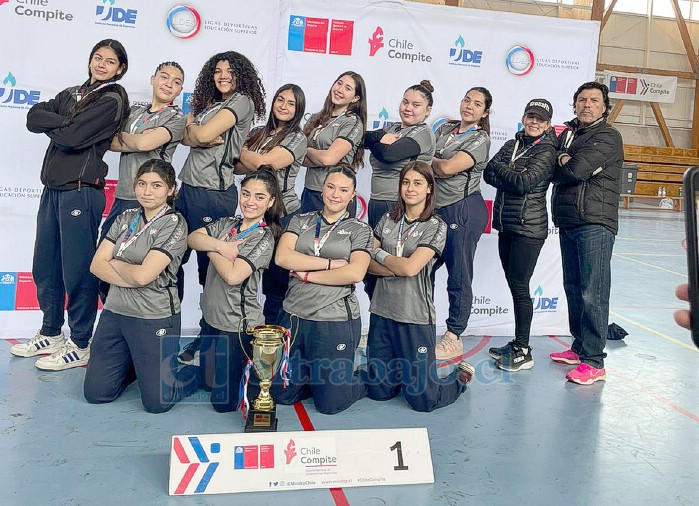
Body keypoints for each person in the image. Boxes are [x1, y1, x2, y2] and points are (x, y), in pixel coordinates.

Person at [11, 39, 130, 370]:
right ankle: (51, 332)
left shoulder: (113, 98)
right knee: (44, 265)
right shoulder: (71, 93)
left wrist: (62, 126)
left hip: (80, 190)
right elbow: (34, 117)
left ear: (120, 68)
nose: (101, 64)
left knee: (77, 269)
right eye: (97, 58)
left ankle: (80, 342)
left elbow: (73, 138)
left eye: (110, 61)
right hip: (52, 188)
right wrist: (65, 123)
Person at [84, 160, 197, 413]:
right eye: (142, 184)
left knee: (157, 404)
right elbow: (96, 265)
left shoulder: (174, 223)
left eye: (157, 186)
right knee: (96, 394)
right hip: (115, 312)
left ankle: (194, 373)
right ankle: (140, 366)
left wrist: (115, 262)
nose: (148, 191)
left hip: (154, 316)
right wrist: (132, 274)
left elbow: (145, 276)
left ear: (170, 190)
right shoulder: (126, 217)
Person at [176, 51, 265, 363]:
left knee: (209, 271)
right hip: (188, 187)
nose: (222, 75)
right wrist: (193, 128)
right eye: (217, 70)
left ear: (242, 75)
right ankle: (167, 329)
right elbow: (190, 136)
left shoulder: (241, 101)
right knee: (173, 260)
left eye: (229, 70)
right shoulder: (211, 105)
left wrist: (196, 133)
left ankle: (206, 337)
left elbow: (199, 134)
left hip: (212, 193)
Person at [366, 161, 474, 412]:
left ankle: (460, 378)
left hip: (413, 316)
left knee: (423, 400)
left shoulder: (436, 225)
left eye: (417, 183)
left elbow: (411, 269)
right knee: (379, 391)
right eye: (406, 182)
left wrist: (379, 253)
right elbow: (366, 265)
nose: (410, 189)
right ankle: (401, 372)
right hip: (382, 312)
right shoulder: (387, 219)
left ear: (429, 188)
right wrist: (395, 265)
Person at [274, 166, 372, 415]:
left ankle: (367, 378)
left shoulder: (360, 230)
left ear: (352, 196)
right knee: (283, 395)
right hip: (294, 316)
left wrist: (306, 273)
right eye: (330, 187)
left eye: (343, 190)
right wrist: (330, 264)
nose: (335, 194)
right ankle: (317, 379)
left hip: (333, 319)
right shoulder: (301, 220)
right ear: (322, 189)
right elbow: (283, 258)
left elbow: (354, 273)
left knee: (330, 405)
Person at [187, 169, 281, 412]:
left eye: (259, 197)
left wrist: (211, 250)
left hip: (236, 326)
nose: (250, 201)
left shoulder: (263, 237)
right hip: (211, 320)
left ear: (270, 202)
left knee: (223, 404)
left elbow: (232, 276)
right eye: (246, 194)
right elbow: (193, 238)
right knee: (207, 384)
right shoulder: (227, 223)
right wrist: (222, 246)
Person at [549, 81, 623, 385]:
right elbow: (554, 165)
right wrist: (561, 157)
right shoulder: (568, 135)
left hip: (596, 223)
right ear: (574, 104)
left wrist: (565, 159)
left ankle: (595, 362)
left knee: (593, 292)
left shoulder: (608, 136)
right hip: (569, 221)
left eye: (594, 101)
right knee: (574, 287)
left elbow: (575, 170)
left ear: (604, 107)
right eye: (581, 100)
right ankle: (580, 348)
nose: (587, 105)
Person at [483, 99, 557, 371]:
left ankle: (523, 350)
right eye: (530, 117)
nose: (534, 122)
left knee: (520, 287)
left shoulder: (548, 149)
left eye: (540, 119)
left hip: (529, 228)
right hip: (507, 225)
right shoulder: (514, 143)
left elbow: (525, 182)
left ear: (548, 124)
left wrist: (508, 172)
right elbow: (488, 172)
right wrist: (511, 172)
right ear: (524, 118)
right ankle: (517, 343)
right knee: (515, 285)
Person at [236, 84, 307, 324]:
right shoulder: (258, 131)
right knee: (245, 275)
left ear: (298, 110)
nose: (284, 106)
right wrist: (250, 157)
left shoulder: (297, 137)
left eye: (291, 103)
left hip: (283, 215)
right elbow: (236, 167)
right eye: (280, 100)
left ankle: (274, 340)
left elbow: (267, 163)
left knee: (276, 285)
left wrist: (244, 151)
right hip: (255, 212)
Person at [431, 87, 492, 360]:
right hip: (436, 210)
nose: (469, 106)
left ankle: (454, 335)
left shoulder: (480, 138)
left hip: (464, 210)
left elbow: (446, 168)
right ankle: (417, 324)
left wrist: (421, 158)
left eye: (477, 104)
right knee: (423, 268)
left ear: (484, 112)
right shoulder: (445, 130)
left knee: (458, 274)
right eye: (466, 99)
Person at [105, 61, 186, 236]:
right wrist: (140, 138)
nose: (169, 84)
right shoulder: (134, 111)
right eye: (164, 77)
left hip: (151, 199)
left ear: (180, 90)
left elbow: (144, 145)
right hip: (123, 194)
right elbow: (110, 142)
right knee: (105, 251)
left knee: (135, 256)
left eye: (177, 82)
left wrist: (128, 138)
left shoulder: (177, 117)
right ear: (152, 79)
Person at [365, 80, 436, 229]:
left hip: (400, 203)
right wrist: (379, 138)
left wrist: (376, 139)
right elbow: (362, 138)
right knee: (372, 250)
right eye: (405, 102)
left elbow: (388, 155)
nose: (408, 108)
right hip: (376, 200)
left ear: (428, 111)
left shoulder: (423, 133)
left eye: (416, 105)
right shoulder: (393, 128)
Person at [301, 71, 366, 216]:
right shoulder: (316, 118)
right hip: (310, 191)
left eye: (347, 88)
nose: (340, 90)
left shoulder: (352, 121)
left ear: (355, 98)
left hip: (335, 196)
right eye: (339, 83)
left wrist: (308, 150)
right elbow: (300, 159)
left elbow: (329, 159)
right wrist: (321, 157)